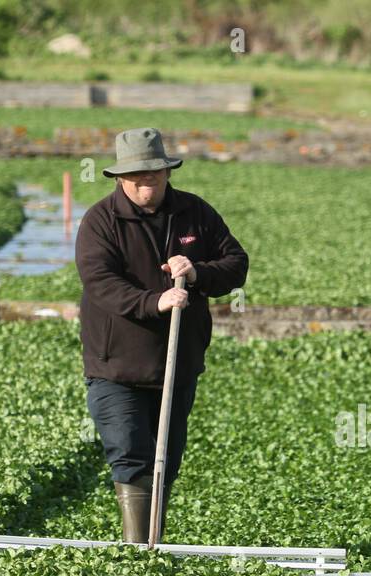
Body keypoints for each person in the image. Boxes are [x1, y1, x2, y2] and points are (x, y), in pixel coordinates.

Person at [75, 128, 249, 542]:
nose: (145, 182)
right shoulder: (101, 221)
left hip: (177, 363)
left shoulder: (195, 213)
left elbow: (236, 264)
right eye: (136, 175)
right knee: (130, 452)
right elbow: (99, 281)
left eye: (153, 172)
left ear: (167, 172)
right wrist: (155, 302)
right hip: (115, 365)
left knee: (166, 458)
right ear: (120, 177)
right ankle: (137, 550)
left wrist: (198, 272)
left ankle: (155, 542)